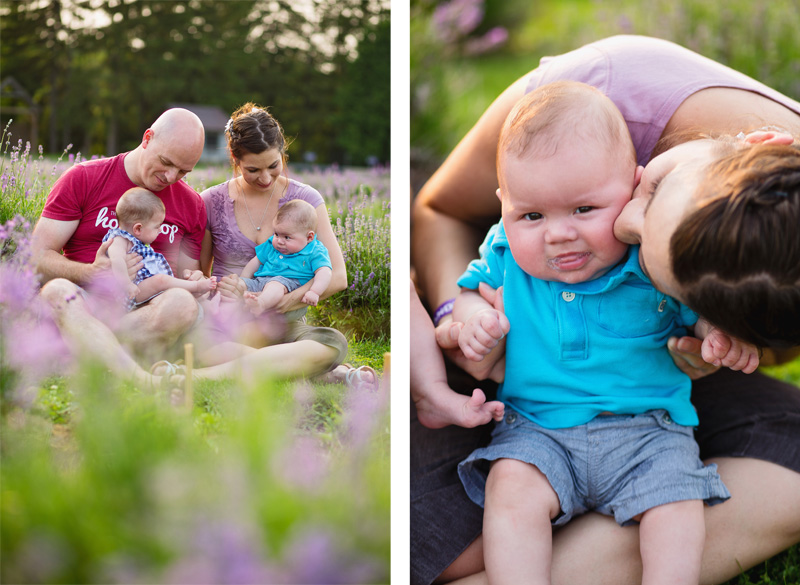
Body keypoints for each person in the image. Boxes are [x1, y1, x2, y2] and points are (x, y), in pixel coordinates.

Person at [411, 35, 800, 585]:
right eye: (655, 189)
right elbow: (443, 222)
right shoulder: (596, 97)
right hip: (535, 424)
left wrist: (718, 340)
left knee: (682, 500)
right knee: (488, 499)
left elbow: (733, 334)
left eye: (590, 208)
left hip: (649, 428)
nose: (624, 226)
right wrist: (461, 314)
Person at [194, 103, 375, 387]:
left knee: (332, 343)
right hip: (228, 322)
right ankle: (300, 368)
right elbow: (201, 275)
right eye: (253, 169)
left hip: (284, 323)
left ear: (283, 154)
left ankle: (257, 366)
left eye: (273, 166)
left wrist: (285, 301)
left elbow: (338, 276)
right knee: (205, 346)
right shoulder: (210, 201)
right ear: (234, 158)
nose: (265, 178)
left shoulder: (306, 199)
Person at [32, 108, 207, 386]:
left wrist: (195, 279)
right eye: (166, 162)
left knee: (183, 304)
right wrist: (92, 272)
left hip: (146, 311)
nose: (171, 176)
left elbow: (188, 274)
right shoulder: (85, 178)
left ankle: (84, 350)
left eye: (184, 171)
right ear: (147, 138)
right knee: (56, 291)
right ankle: (139, 377)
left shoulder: (192, 205)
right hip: (87, 302)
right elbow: (37, 257)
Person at [105, 187, 217, 311]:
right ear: (138, 229)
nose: (160, 230)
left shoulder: (138, 243)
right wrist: (126, 284)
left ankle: (209, 307)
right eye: (157, 226)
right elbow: (116, 260)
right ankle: (196, 287)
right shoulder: (119, 239)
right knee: (161, 281)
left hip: (140, 291)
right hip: (128, 293)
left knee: (173, 297)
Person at [241, 199, 332, 315]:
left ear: (309, 237)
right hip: (260, 281)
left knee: (275, 285)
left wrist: (315, 291)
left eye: (287, 237)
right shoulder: (271, 245)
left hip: (287, 285)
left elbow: (325, 272)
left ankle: (260, 304)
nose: (279, 241)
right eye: (276, 234)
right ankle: (223, 307)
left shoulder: (315, 251)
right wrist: (244, 280)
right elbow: (255, 262)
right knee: (237, 284)